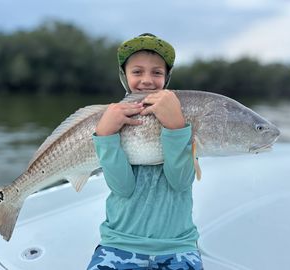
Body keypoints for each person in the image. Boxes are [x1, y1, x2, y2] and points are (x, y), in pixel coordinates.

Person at [86, 33, 203, 270]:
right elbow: (122, 188)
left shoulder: (183, 119)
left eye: (157, 72)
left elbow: (180, 182)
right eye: (137, 72)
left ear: (166, 77)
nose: (147, 80)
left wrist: (176, 128)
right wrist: (106, 136)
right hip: (119, 243)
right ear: (124, 76)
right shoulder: (113, 119)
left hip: (178, 246)